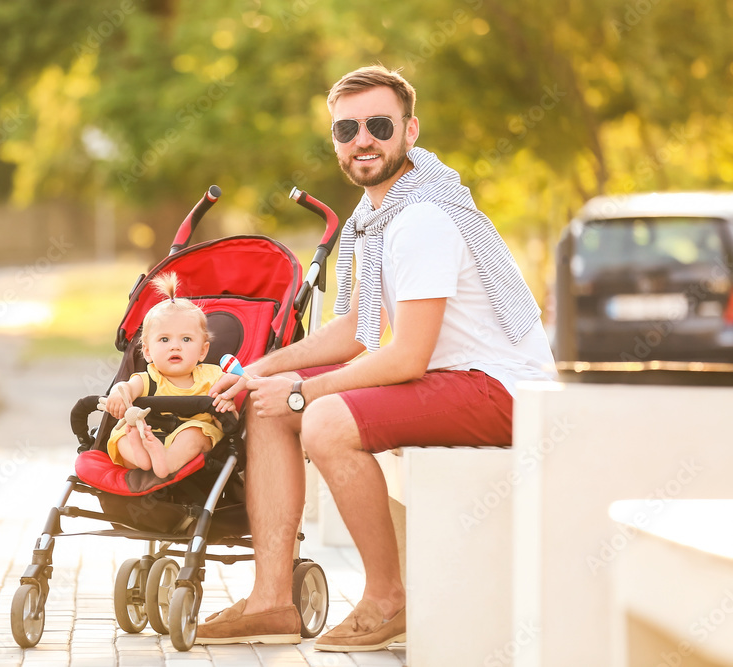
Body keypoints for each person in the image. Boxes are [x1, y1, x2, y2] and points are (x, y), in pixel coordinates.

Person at [197, 65, 556, 651]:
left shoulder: (422, 219)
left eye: (379, 125)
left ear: (409, 131)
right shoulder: (377, 217)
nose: (362, 139)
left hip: (501, 389)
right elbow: (359, 331)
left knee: (325, 421)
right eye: (347, 130)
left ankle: (388, 599)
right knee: (266, 405)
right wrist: (266, 369)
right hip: (453, 380)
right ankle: (271, 601)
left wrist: (304, 392)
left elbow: (407, 356)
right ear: (335, 141)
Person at [102, 272, 241, 479]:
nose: (175, 346)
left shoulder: (213, 377)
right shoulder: (148, 378)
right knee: (122, 434)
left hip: (184, 438)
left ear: (203, 351)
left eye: (186, 339)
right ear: (147, 351)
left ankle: (165, 462)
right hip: (147, 433)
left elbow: (229, 422)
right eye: (164, 339)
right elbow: (127, 388)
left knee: (197, 433)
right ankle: (140, 457)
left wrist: (227, 409)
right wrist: (117, 393)